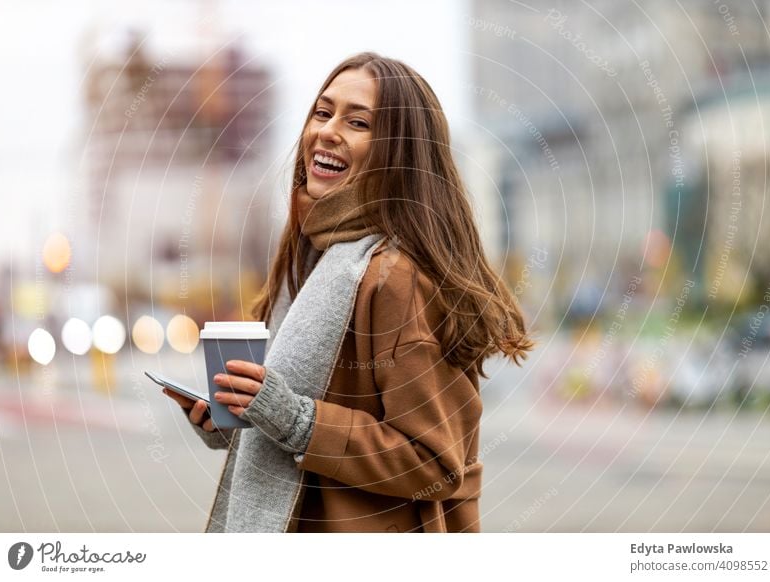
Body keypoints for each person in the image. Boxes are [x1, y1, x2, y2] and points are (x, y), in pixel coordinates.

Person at [164, 51, 535, 533]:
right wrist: (233, 415)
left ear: (398, 152)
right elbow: (300, 420)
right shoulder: (312, 257)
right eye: (322, 112)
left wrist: (295, 419)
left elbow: (434, 461)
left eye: (357, 122)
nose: (328, 130)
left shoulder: (392, 275)